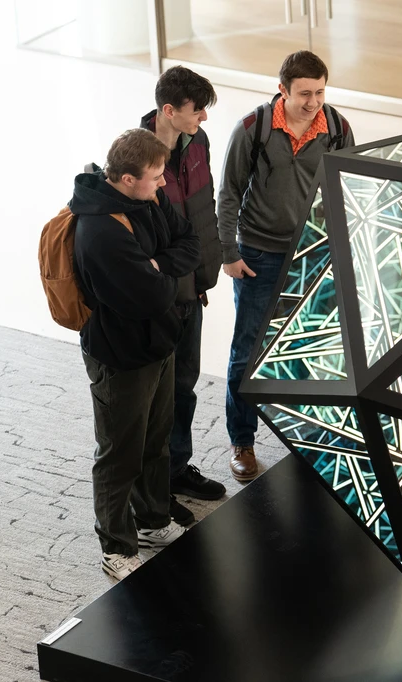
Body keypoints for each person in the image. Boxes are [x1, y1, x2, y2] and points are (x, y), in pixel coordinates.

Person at [217, 50, 354, 483]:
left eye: (319, 92)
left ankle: (308, 440)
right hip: (257, 254)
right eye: (304, 94)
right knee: (248, 354)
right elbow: (229, 193)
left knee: (309, 351)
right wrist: (228, 252)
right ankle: (243, 441)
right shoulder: (252, 129)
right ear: (282, 90)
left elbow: (348, 189)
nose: (313, 102)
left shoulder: (337, 129)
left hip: (313, 256)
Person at [71, 129, 200, 579]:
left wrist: (158, 265)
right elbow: (149, 299)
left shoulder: (147, 200)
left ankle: (151, 521)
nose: (164, 184)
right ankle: (116, 545)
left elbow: (189, 240)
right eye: (156, 177)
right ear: (127, 178)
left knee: (155, 440)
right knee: (119, 453)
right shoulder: (100, 230)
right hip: (121, 357)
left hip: (159, 345)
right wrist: (165, 275)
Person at [140, 66, 226, 526]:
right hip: (158, 296)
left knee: (184, 386)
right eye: (198, 111)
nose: (205, 119)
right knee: (156, 399)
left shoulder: (198, 144)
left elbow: (203, 208)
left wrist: (206, 273)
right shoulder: (135, 157)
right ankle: (154, 489)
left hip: (192, 288)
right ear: (169, 111)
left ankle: (176, 470)